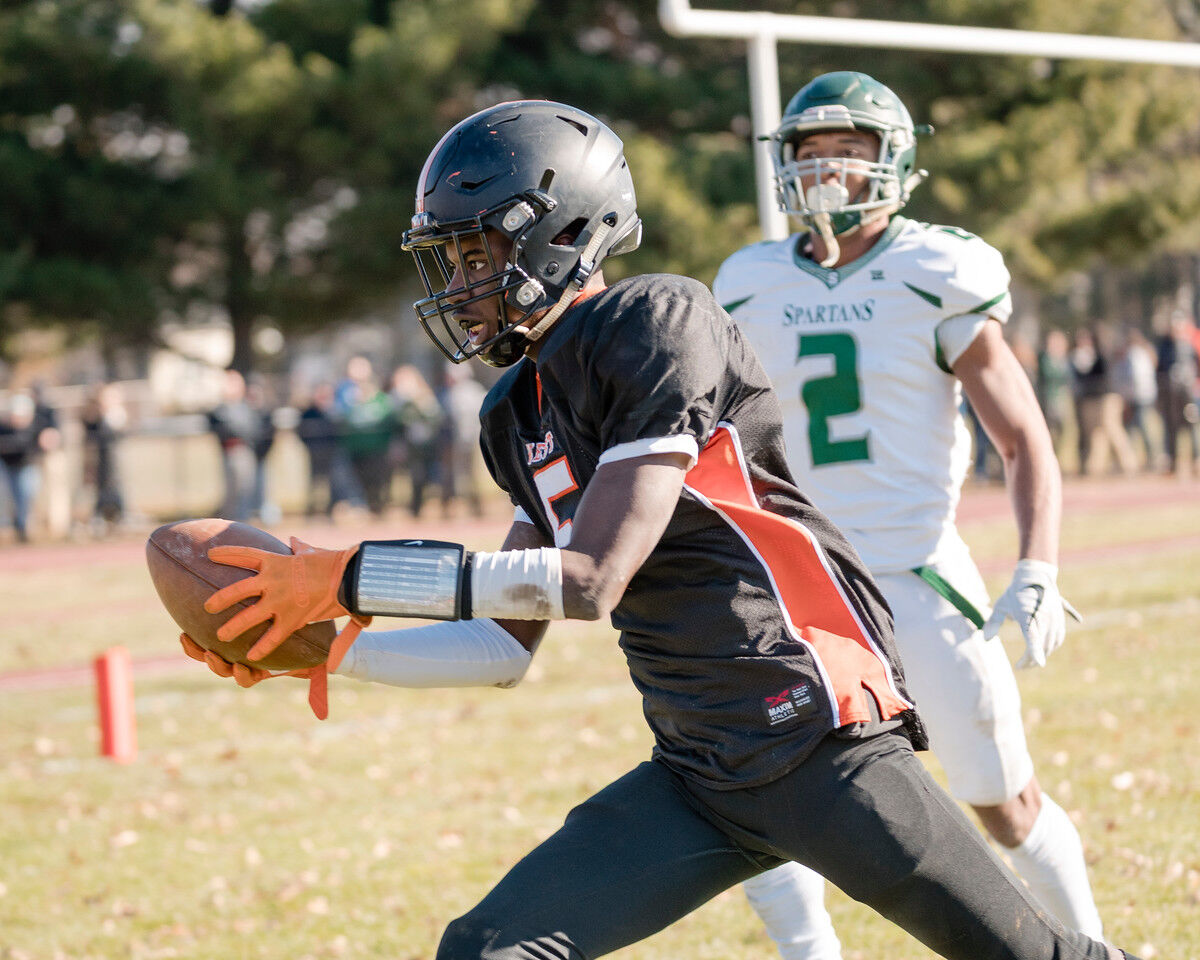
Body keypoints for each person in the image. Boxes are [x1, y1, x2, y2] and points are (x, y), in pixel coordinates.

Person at [178, 100, 1136, 960]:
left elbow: (591, 577)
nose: (460, 283)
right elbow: (503, 647)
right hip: (698, 767)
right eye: (450, 260)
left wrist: (354, 577)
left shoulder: (657, 319)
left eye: (477, 255)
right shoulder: (519, 406)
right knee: (482, 950)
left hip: (812, 737)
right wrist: (334, 653)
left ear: (559, 236)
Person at [713, 72, 1105, 958]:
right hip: (795, 578)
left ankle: (1089, 944)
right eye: (808, 153)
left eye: (845, 151)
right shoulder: (748, 279)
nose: (823, 170)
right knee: (766, 790)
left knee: (1002, 805)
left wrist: (1037, 566)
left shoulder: (938, 268)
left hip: (914, 570)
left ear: (891, 161)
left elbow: (1024, 438)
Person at [0, 388, 61, 543]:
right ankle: (14, 526)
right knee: (9, 497)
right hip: (8, 466)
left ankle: (23, 527)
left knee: (26, 495)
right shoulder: (4, 428)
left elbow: (43, 443)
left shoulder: (35, 426)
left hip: (27, 465)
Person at [1155, 311, 1200, 474]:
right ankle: (1172, 460)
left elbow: (1196, 366)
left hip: (1186, 391)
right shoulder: (1165, 347)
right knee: (1171, 426)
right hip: (1170, 392)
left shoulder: (1189, 346)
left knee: (1191, 423)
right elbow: (1159, 369)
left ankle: (1196, 458)